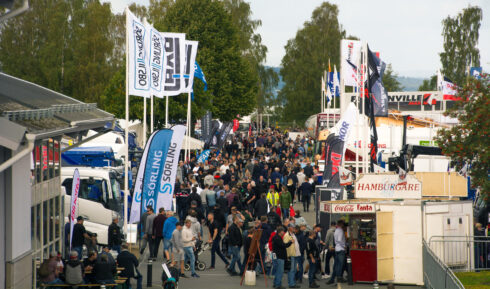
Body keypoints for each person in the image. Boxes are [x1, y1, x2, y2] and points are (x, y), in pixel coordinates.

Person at [326, 220, 347, 285]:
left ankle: (332, 279)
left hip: (337, 249)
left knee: (336, 265)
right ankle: (339, 278)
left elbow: (336, 240)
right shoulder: (340, 231)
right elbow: (340, 240)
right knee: (340, 265)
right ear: (342, 224)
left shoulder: (336, 230)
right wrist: (344, 246)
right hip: (341, 249)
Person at [284, 224, 301, 288]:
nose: (294, 228)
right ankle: (291, 283)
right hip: (291, 255)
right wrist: (288, 255)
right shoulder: (287, 235)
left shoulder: (293, 234)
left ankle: (292, 282)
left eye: (294, 227)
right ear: (289, 228)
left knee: (293, 270)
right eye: (292, 227)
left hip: (295, 254)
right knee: (291, 270)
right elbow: (286, 246)